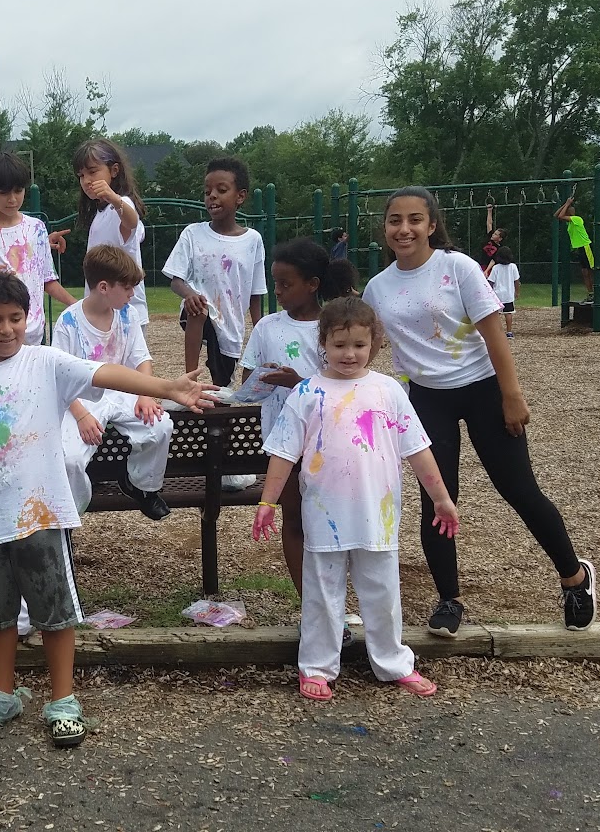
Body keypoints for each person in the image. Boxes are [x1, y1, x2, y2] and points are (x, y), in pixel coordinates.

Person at [0, 273, 218, 748]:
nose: (5, 328)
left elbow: (103, 373)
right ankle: (2, 695)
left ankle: (64, 700)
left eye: (14, 318)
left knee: (53, 612)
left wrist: (167, 386)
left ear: (28, 320)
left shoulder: (46, 361)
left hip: (41, 514)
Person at [364, 187, 596, 637]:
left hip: (483, 388)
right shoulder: (379, 286)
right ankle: (449, 599)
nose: (404, 228)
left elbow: (494, 334)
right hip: (427, 398)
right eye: (395, 220)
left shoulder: (458, 268)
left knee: (518, 489)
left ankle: (574, 577)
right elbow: (364, 344)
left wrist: (512, 395)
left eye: (415, 219)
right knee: (437, 499)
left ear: (432, 225)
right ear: (385, 229)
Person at [253, 296, 458, 701]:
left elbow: (416, 449)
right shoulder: (308, 392)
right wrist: (267, 502)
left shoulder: (388, 391)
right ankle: (316, 666)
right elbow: (282, 454)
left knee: (382, 591)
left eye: (359, 345)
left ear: (374, 344)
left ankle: (393, 661)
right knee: (322, 593)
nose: (349, 354)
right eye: (339, 344)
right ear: (323, 343)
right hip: (323, 514)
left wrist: (441, 497)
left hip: (376, 515)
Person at [237, 239, 356, 597]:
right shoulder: (267, 327)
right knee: (295, 519)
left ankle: (335, 600)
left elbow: (348, 389)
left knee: (329, 522)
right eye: (275, 283)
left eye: (286, 284)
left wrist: (297, 382)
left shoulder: (334, 329)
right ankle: (311, 604)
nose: (279, 292)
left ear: (313, 285)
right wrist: (264, 375)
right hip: (282, 443)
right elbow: (246, 381)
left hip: (328, 441)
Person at [53, 245, 173, 521]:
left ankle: (142, 486)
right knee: (70, 458)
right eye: (128, 287)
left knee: (160, 425)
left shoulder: (127, 315)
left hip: (121, 392)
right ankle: (70, 515)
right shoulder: (69, 322)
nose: (133, 294)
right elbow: (59, 378)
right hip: (81, 399)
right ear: (104, 287)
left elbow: (142, 359)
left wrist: (145, 393)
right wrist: (81, 416)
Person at [164, 157, 266, 389]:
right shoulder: (193, 233)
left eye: (221, 190)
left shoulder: (252, 240)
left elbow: (256, 291)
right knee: (199, 310)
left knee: (224, 385)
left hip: (231, 322)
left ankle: (219, 414)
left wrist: (261, 328)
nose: (212, 196)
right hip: (195, 311)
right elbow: (175, 279)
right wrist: (189, 294)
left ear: (240, 196)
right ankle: (189, 381)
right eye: (207, 191)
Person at [0, 152, 76, 346]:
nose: (12, 199)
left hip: (33, 334)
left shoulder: (36, 228)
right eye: (4, 193)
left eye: (18, 191)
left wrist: (76, 305)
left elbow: (47, 280)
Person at [72, 139, 149, 330]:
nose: (86, 180)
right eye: (81, 175)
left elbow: (131, 221)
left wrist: (114, 198)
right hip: (103, 314)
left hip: (126, 315)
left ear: (114, 171)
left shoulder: (121, 205)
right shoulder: (100, 213)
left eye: (92, 171)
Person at [555, 196, 595, 303]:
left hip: (586, 246)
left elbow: (560, 216)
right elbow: (556, 215)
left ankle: (596, 293)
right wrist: (565, 203)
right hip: (580, 247)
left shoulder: (577, 219)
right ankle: (591, 293)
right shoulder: (570, 222)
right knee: (584, 272)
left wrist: (568, 204)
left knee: (591, 270)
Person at [487, 245, 521, 338]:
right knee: (508, 313)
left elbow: (491, 281)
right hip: (508, 295)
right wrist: (517, 292)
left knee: (496, 314)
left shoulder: (496, 268)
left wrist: (489, 293)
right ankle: (509, 332)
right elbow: (516, 281)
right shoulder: (513, 267)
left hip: (497, 294)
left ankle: (497, 332)